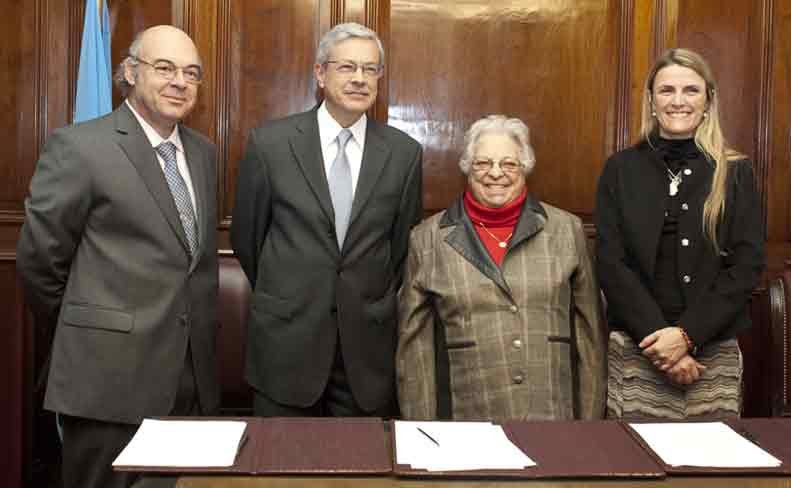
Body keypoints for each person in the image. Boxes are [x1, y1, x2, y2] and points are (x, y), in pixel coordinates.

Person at [16, 26, 219, 488]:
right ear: (129, 71)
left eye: (192, 72)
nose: (180, 81)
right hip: (107, 380)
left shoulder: (204, 154)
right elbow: (39, 261)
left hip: (189, 381)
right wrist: (90, 329)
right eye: (164, 67)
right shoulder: (80, 146)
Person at [231, 22, 423, 417]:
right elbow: (248, 239)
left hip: (365, 353)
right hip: (285, 345)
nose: (359, 79)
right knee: (278, 469)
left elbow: (401, 249)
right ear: (320, 73)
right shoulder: (270, 144)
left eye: (370, 70)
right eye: (347, 67)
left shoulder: (404, 154)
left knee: (361, 472)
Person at [396, 115, 606, 421]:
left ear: (525, 167)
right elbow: (414, 351)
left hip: (552, 416)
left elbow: (590, 337)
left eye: (508, 163)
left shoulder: (566, 230)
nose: (496, 173)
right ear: (467, 167)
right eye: (483, 164)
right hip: (466, 419)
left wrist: (589, 425)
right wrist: (425, 433)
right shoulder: (427, 239)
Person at [595, 48, 765, 419]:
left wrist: (687, 336)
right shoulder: (620, 169)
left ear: (708, 102)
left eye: (691, 90)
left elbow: (746, 266)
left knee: (715, 471)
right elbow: (611, 263)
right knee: (633, 466)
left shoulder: (735, 172)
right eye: (666, 90)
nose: (678, 101)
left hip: (713, 350)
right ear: (651, 101)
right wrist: (661, 340)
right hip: (640, 348)